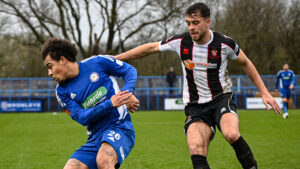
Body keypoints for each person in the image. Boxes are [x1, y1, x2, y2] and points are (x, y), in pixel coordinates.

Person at [115, 2, 281, 169]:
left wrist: (264, 92)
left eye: (196, 23)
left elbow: (246, 63)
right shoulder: (181, 42)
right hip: (195, 106)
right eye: (188, 23)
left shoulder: (225, 44)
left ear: (207, 22)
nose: (191, 27)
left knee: (231, 134)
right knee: (195, 148)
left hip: (221, 99)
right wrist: (115, 58)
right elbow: (151, 48)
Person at [41, 38, 139, 169]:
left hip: (119, 126)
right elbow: (81, 117)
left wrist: (127, 93)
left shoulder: (97, 62)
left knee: (104, 160)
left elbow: (129, 71)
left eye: (50, 66)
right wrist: (109, 104)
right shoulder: (61, 92)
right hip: (95, 138)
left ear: (63, 60)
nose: (49, 73)